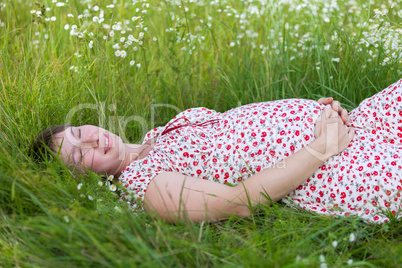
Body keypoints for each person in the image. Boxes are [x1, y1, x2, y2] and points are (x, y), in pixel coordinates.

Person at [31, 79, 402, 224]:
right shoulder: (143, 185)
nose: (92, 140)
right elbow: (238, 202)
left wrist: (324, 115)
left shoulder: (156, 134)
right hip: (338, 168)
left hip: (355, 124)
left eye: (80, 132)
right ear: (84, 180)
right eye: (80, 156)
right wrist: (323, 146)